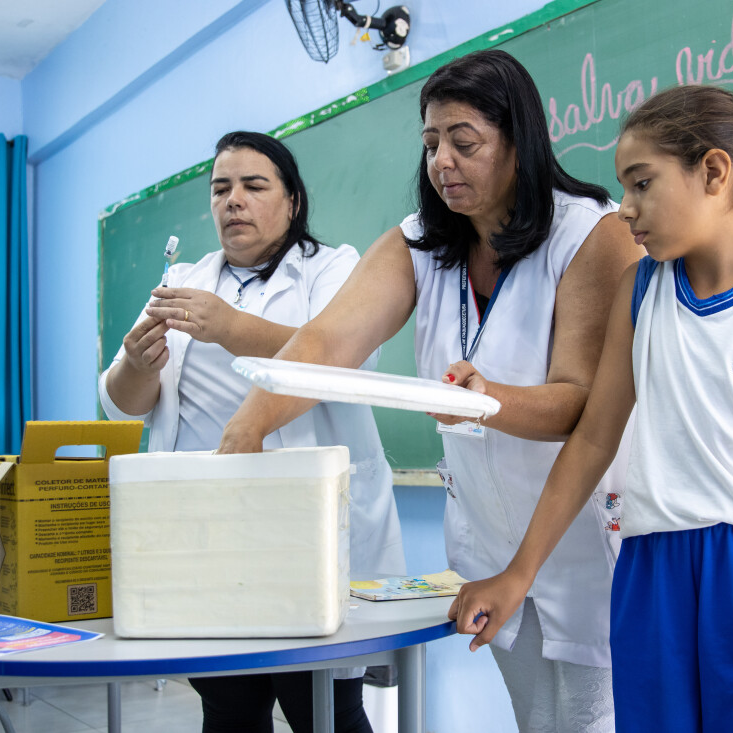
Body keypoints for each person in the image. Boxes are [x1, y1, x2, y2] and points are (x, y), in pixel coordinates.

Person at [217, 50, 641, 732]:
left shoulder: (591, 231)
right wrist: (246, 428)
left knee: (593, 722)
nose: (443, 161)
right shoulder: (420, 244)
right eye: (431, 143)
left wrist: (488, 398)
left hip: (584, 543)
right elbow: (327, 345)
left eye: (464, 142)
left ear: (517, 142)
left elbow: (581, 403)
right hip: (488, 543)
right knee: (537, 720)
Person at [451, 84, 733, 733]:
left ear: (714, 172)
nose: (625, 209)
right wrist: (519, 571)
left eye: (642, 183)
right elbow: (594, 439)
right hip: (650, 572)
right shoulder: (640, 289)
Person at [98, 131, 405, 733]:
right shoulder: (184, 278)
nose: (232, 200)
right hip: (206, 530)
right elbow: (120, 406)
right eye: (220, 188)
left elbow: (349, 360)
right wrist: (136, 363)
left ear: (291, 201)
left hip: (306, 530)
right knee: (228, 704)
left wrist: (231, 326)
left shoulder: (334, 267)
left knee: (324, 705)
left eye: (253, 185)